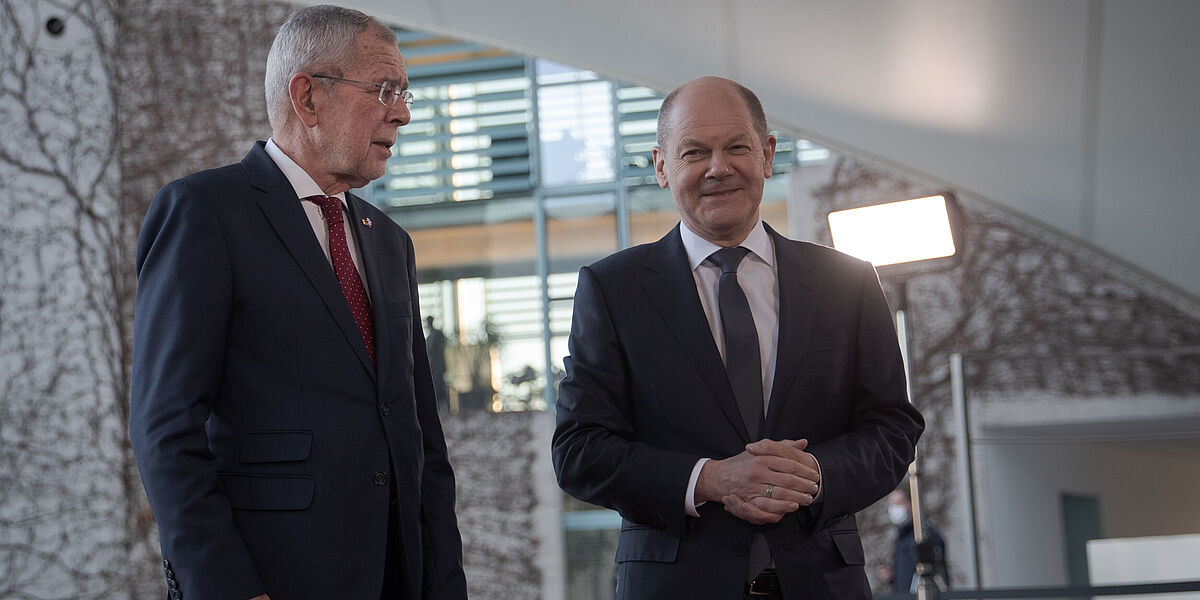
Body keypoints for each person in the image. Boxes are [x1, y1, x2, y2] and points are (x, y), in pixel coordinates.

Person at [128, 6, 467, 600]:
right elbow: (165, 429)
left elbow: (420, 439)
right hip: (274, 578)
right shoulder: (205, 212)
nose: (404, 114)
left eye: (405, 93)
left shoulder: (391, 241)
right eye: (385, 90)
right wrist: (229, 589)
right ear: (308, 98)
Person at [551, 76, 924, 600]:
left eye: (737, 148)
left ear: (767, 155)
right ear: (662, 166)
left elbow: (892, 427)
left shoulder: (849, 281)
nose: (718, 168)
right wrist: (710, 479)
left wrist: (814, 474)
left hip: (822, 583)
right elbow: (579, 450)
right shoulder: (613, 290)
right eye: (695, 152)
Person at [879, 486, 948, 594]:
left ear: (911, 504)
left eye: (899, 503)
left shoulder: (925, 535)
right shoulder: (900, 538)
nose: (894, 509)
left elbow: (936, 574)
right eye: (892, 504)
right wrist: (891, 575)